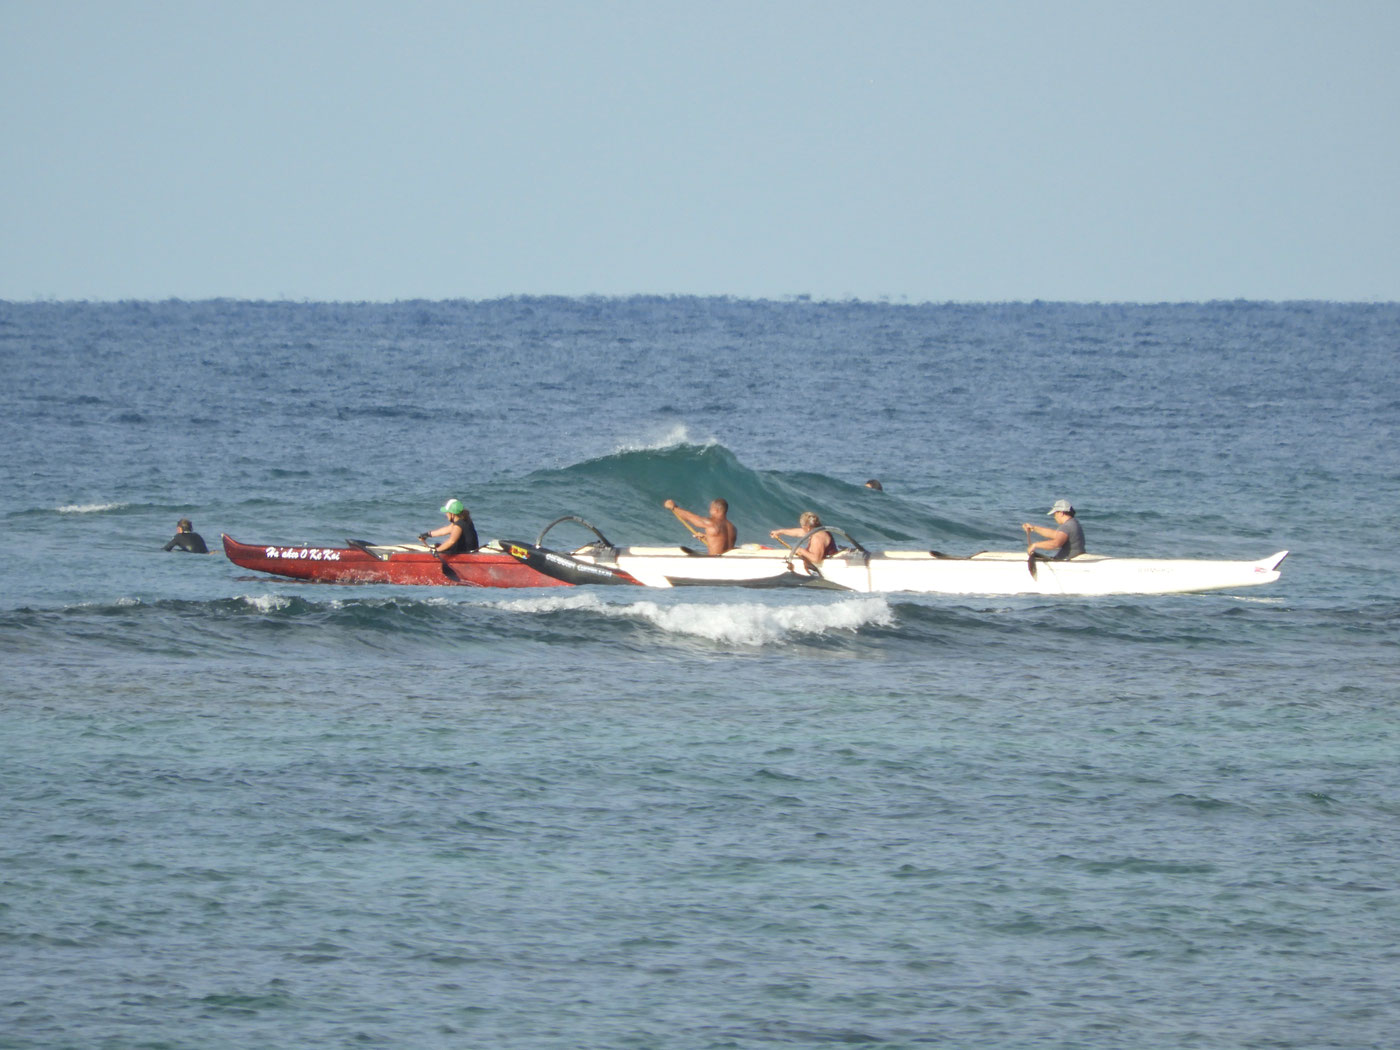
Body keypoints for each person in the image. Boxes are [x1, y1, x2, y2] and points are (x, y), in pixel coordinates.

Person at [663, 497, 736, 555]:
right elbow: (721, 541)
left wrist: (674, 507)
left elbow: (690, 517)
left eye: (710, 509)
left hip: (714, 561)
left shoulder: (711, 523)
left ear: (716, 510)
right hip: (727, 561)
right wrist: (706, 537)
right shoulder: (732, 528)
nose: (709, 512)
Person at [770, 510, 836, 567]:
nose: (802, 528)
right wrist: (780, 532)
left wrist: (801, 550)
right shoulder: (816, 530)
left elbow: (816, 559)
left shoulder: (817, 537)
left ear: (807, 528)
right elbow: (799, 532)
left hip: (828, 566)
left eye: (803, 527)